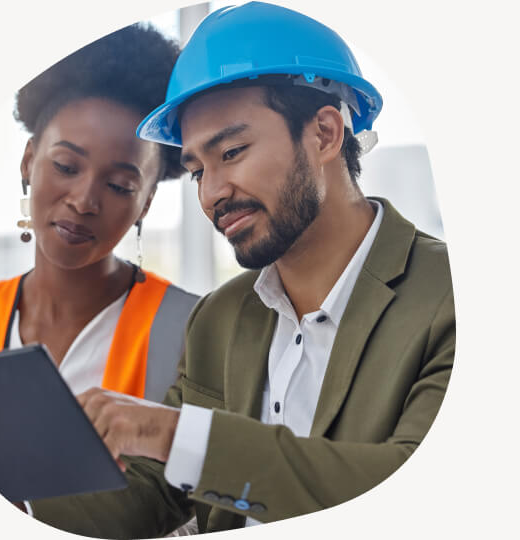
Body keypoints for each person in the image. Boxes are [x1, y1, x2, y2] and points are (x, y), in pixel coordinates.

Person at [26, 2, 454, 537]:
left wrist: (172, 434)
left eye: (231, 152)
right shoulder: (220, 319)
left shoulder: (449, 298)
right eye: (197, 170)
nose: (211, 194)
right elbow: (151, 496)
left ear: (324, 134)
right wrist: (15, 491)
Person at [0, 24, 199, 464]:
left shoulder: (196, 331)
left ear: (146, 203)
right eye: (67, 166)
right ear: (29, 160)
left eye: (119, 185)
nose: (85, 200)